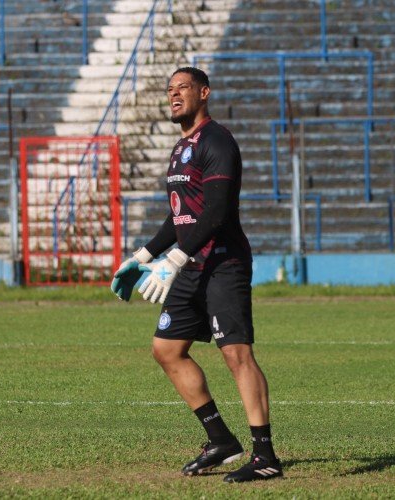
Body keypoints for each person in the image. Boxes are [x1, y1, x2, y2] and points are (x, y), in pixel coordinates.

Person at [110, 67, 283, 483]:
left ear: (204, 93)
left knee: (236, 354)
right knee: (166, 349)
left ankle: (266, 457)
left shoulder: (217, 141)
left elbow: (216, 212)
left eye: (182, 88)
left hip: (222, 263)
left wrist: (174, 260)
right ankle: (221, 439)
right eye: (169, 90)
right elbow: (180, 215)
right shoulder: (179, 147)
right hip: (189, 265)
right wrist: (144, 254)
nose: (174, 95)